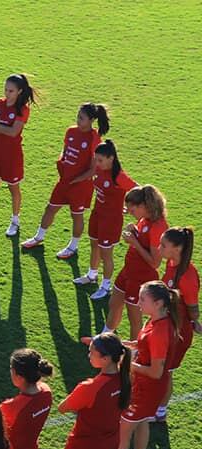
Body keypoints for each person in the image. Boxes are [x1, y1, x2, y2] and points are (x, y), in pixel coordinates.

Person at [112, 281, 180, 449]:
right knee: (141, 423)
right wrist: (124, 345)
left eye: (143, 299)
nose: (138, 303)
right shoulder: (156, 320)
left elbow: (156, 372)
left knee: (123, 431)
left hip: (146, 389)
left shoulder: (160, 332)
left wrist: (127, 363)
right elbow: (144, 346)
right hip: (146, 388)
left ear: (158, 303)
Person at [21, 103, 109, 257]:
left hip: (80, 185)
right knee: (50, 208)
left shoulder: (94, 138)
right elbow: (65, 150)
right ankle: (39, 237)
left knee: (76, 215)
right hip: (65, 180)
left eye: (82, 118)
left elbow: (93, 169)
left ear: (91, 120)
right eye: (77, 117)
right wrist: (60, 161)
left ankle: (73, 246)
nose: (78, 120)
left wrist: (77, 180)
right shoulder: (71, 131)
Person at [101, 185, 169, 340]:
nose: (131, 213)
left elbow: (154, 262)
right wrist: (134, 232)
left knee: (134, 319)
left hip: (141, 277)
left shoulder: (158, 227)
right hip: (128, 271)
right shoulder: (144, 219)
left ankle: (134, 354)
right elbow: (141, 239)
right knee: (114, 303)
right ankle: (105, 338)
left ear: (144, 206)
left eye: (132, 210)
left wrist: (134, 242)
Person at [0, 74, 39, 236]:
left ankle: (15, 220)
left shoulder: (23, 110)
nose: (7, 93)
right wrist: (3, 128)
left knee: (13, 188)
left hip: (12, 155)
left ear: (19, 92)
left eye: (11, 91)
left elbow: (13, 132)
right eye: (5, 89)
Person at [73, 140, 137, 300]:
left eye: (100, 160)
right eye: (96, 159)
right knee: (94, 245)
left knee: (106, 254)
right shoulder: (100, 169)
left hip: (111, 220)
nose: (98, 163)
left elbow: (138, 190)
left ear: (111, 158)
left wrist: (129, 208)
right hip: (97, 214)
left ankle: (106, 286)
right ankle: (91, 275)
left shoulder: (119, 176)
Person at [157, 227, 199, 421]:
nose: (159, 248)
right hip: (164, 326)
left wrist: (195, 321)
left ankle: (160, 412)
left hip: (178, 333)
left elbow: (192, 307)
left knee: (166, 372)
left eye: (163, 245)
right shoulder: (171, 264)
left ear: (177, 248)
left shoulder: (188, 276)